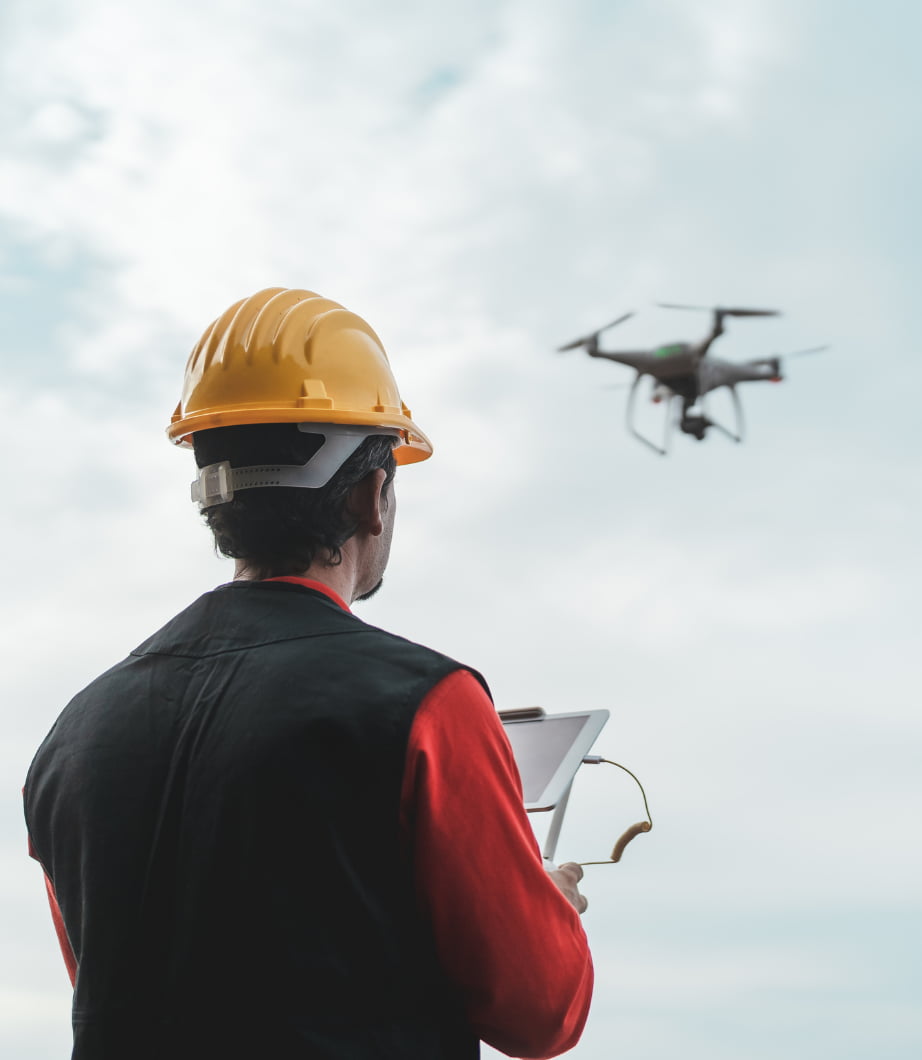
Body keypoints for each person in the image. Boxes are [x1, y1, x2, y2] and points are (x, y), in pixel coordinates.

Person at [23, 287, 593, 1060]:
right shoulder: (427, 705)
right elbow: (540, 1013)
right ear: (371, 496)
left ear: (214, 499)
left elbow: (115, 984)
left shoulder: (75, 732)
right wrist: (546, 911)